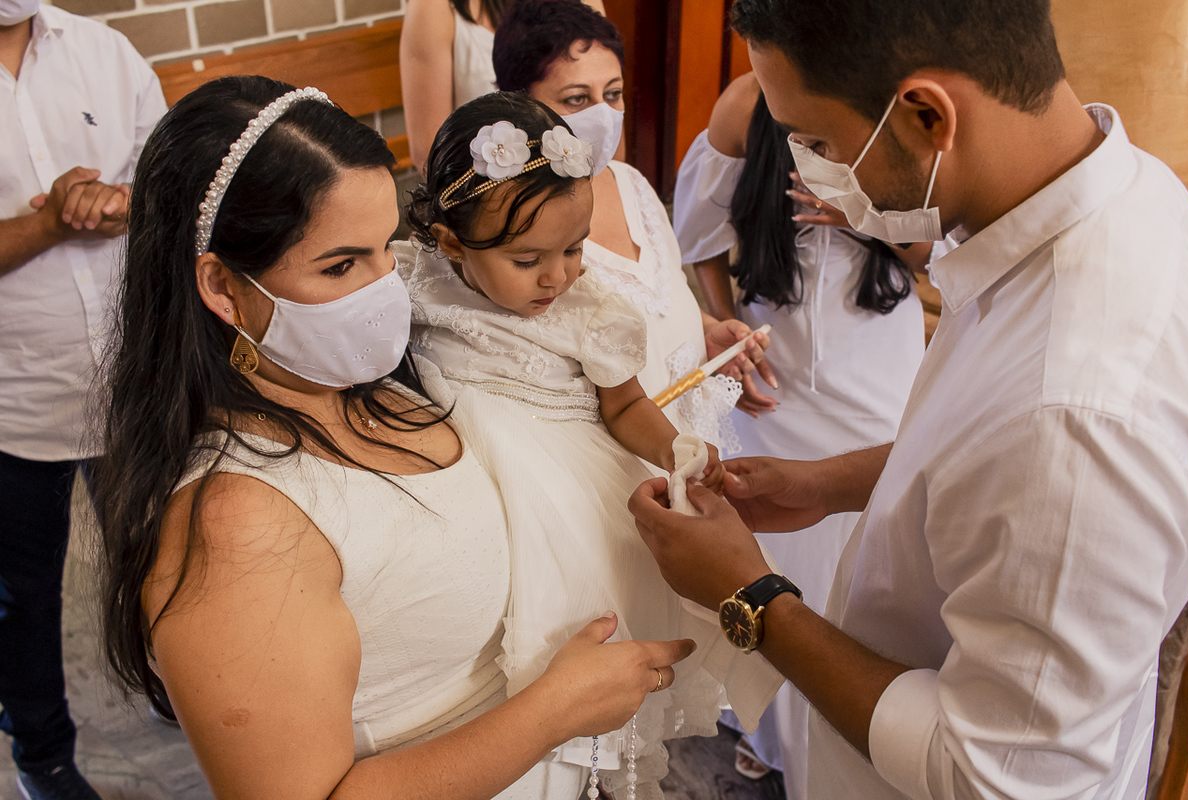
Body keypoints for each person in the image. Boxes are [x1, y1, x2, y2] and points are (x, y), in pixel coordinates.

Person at [629, 0, 1188, 798]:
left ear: (927, 115)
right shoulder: (1125, 191)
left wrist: (751, 596)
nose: (807, 168)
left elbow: (991, 775)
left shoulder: (1075, 415)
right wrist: (828, 483)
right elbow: (985, 453)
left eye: (818, 143)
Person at [94, 75, 694, 800]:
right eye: (341, 265)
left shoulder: (374, 381)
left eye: (385, 247)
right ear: (223, 286)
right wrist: (554, 712)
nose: (388, 286)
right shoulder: (237, 527)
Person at [398, 90, 784, 799]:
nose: (559, 275)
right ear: (451, 243)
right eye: (528, 259)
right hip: (461, 489)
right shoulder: (413, 280)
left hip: (565, 499)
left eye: (574, 248)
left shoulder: (588, 308)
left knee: (566, 657)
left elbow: (627, 403)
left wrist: (676, 449)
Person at [672, 70, 928, 794]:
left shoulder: (899, 99)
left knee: (869, 550)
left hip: (874, 353)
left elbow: (943, 255)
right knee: (776, 545)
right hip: (775, 364)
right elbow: (698, 235)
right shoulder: (744, 105)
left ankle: (852, 731)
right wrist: (730, 325)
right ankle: (771, 725)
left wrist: (867, 217)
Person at [0, 1, 165, 797]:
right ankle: (43, 756)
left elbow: (169, 189)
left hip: (128, 378)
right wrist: (51, 225)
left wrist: (128, 204)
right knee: (22, 598)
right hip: (13, 398)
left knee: (160, 560)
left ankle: (176, 684)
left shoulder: (106, 52)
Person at [492, 0, 771, 456]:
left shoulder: (632, 183)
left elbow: (660, 298)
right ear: (520, 103)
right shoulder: (523, 228)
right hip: (620, 448)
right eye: (577, 99)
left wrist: (704, 330)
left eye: (614, 94)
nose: (603, 115)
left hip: (688, 430)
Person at [400, 0, 606, 173]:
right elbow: (428, 154)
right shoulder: (433, 7)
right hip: (487, 197)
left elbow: (606, 117)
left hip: (587, 178)